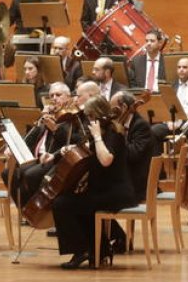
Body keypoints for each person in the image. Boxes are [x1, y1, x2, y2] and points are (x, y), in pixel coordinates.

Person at [52, 94, 137, 268]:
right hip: (100, 190)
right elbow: (84, 149)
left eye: (90, 116)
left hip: (115, 193)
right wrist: (61, 152)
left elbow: (106, 159)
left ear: (98, 115)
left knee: (61, 203)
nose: (87, 120)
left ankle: (81, 250)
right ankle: (100, 250)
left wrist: (97, 137)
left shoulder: (114, 132)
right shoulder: (101, 131)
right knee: (76, 202)